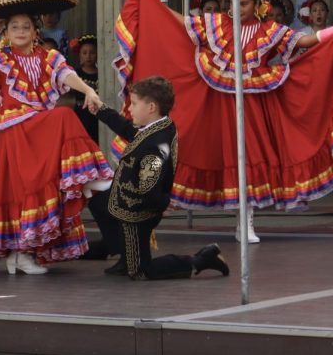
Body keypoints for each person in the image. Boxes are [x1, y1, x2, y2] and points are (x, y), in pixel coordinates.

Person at [113, 0, 333, 243]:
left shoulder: (270, 30)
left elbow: (303, 42)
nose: (237, 7)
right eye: (234, 2)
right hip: (218, 104)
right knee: (221, 155)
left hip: (254, 105)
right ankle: (232, 220)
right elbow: (186, 24)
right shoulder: (219, 24)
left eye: (243, 3)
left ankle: (245, 223)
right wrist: (156, 6)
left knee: (249, 159)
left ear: (257, 4)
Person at [0, 0, 113, 274]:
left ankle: (22, 254)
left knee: (35, 185)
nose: (21, 31)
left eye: (26, 26)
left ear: (36, 31)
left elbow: (66, 75)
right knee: (23, 186)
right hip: (10, 133)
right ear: (6, 32)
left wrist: (89, 91)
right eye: (14, 27)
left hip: (34, 129)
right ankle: (20, 253)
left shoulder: (47, 56)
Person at [86, 76, 229, 280]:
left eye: (134, 104)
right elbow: (128, 129)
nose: (130, 109)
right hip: (128, 204)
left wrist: (162, 202)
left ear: (151, 107)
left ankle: (202, 259)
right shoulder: (157, 127)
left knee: (141, 271)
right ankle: (125, 256)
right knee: (98, 199)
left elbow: (149, 189)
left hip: (138, 213)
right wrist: (101, 110)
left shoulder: (156, 146)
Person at [69, 34, 100, 143]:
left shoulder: (102, 74)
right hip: (80, 115)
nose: (88, 56)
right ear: (80, 55)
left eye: (92, 52)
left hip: (98, 116)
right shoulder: (74, 74)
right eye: (85, 53)